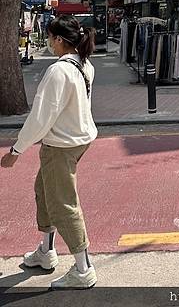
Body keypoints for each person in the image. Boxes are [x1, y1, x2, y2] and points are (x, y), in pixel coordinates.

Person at [0, 15, 98, 290]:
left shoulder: (59, 71)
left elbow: (40, 118)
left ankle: (83, 269)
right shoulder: (83, 64)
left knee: (62, 203)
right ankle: (46, 251)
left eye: (51, 38)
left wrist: (16, 151)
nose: (50, 43)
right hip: (76, 139)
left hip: (61, 145)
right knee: (44, 191)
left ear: (58, 39)